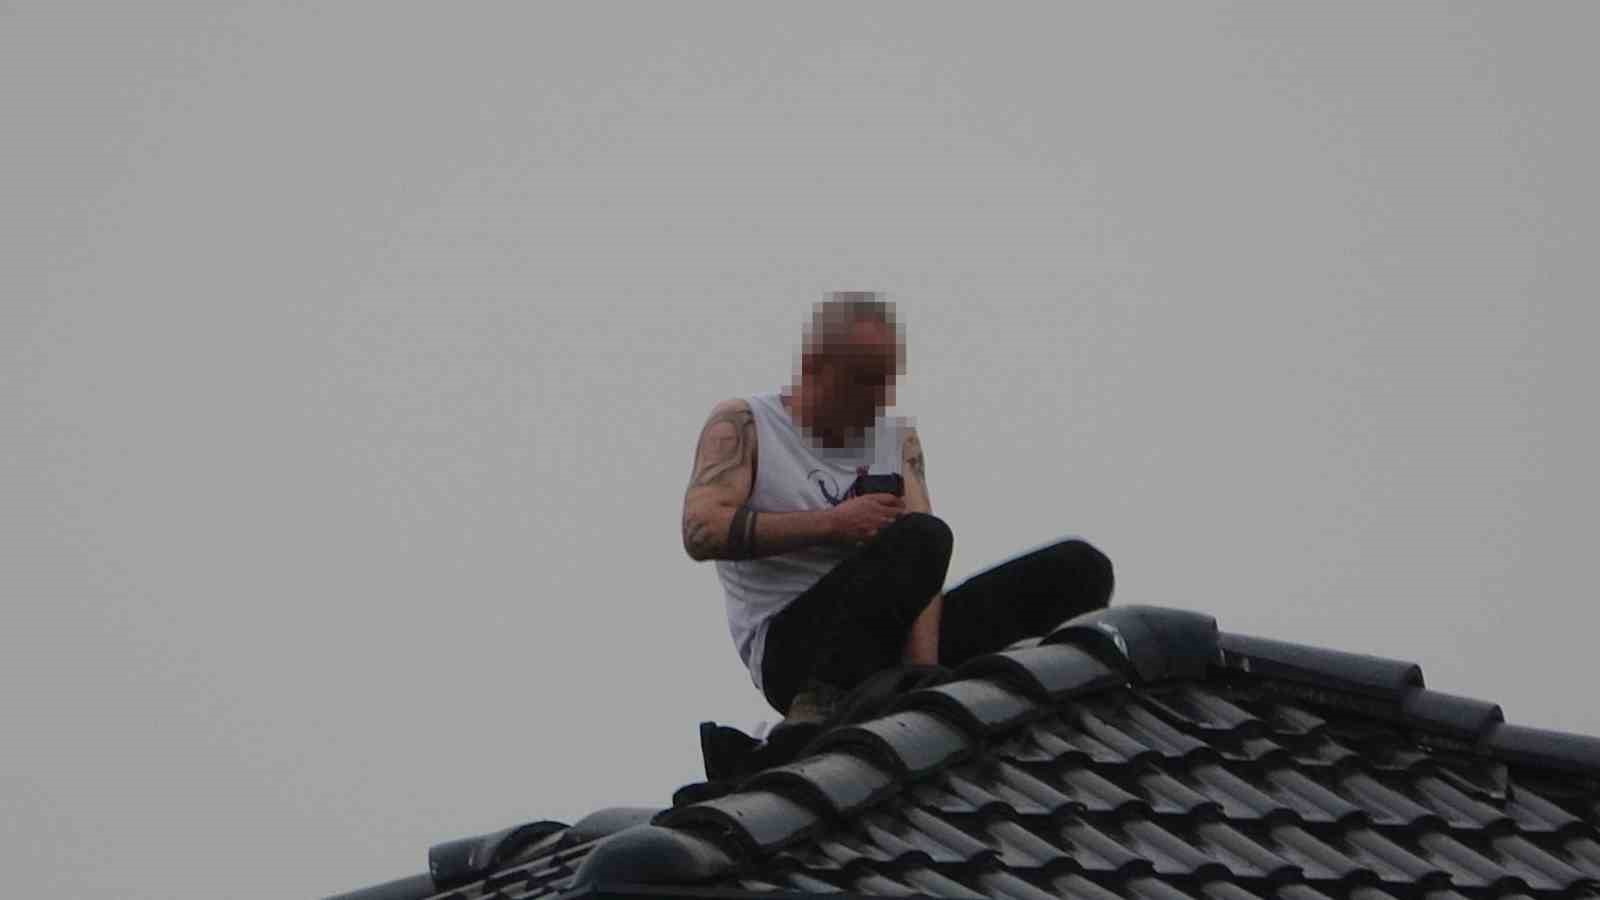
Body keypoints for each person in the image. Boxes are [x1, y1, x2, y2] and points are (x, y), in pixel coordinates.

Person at [680, 292, 1114, 726]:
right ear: (813, 366)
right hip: (798, 653)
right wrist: (832, 524)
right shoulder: (746, 424)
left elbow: (926, 564)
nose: (877, 398)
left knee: (1079, 568)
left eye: (885, 382)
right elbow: (701, 531)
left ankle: (1060, 700)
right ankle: (821, 703)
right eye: (863, 380)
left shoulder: (895, 438)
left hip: (891, 650)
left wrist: (922, 673)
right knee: (922, 537)